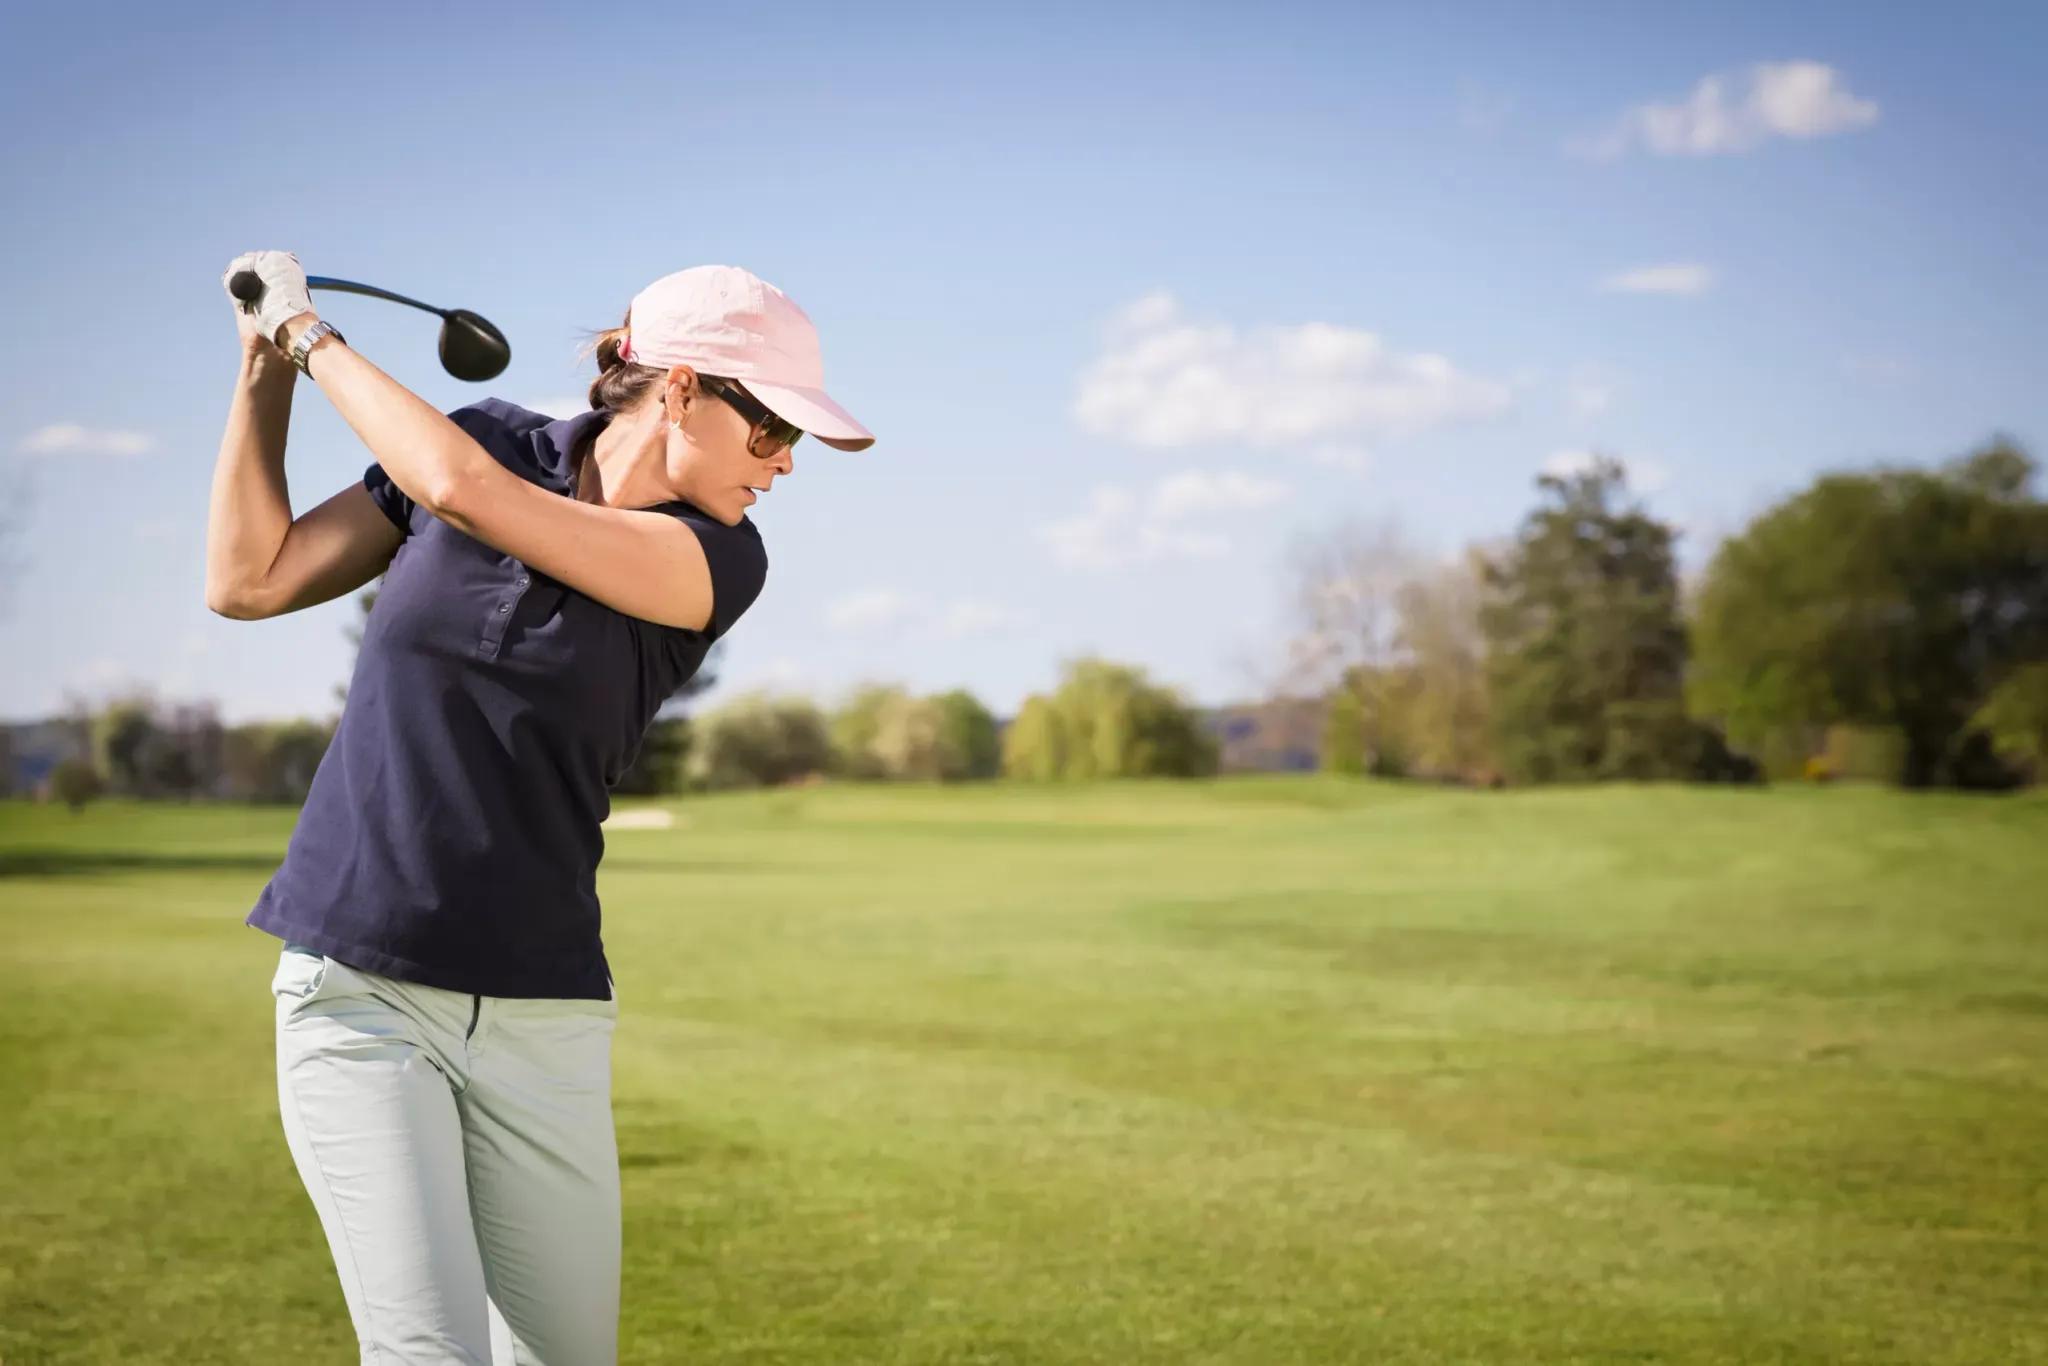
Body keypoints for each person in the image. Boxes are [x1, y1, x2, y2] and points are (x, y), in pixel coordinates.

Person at [207, 252, 873, 1365]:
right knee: (431, 1354)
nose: (786, 463)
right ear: (681, 389)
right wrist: (262, 364)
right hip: (360, 994)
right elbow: (250, 579)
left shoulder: (719, 556)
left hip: (543, 1013)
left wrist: (312, 338)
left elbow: (467, 496)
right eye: (770, 430)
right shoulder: (492, 438)